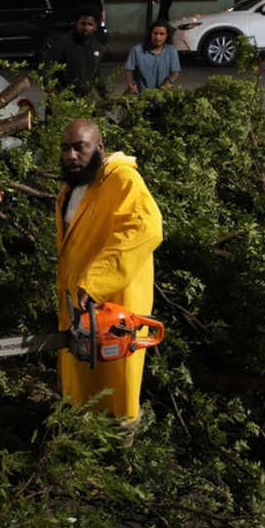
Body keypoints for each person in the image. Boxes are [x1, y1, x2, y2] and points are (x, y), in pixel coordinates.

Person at [56, 119, 163, 421]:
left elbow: (145, 227)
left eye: (80, 147)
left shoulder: (122, 179)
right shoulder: (74, 186)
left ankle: (119, 453)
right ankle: (80, 443)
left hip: (113, 307)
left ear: (99, 147)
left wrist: (95, 281)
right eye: (66, 148)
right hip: (79, 304)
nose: (72, 156)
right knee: (82, 383)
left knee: (117, 392)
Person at [44, 5, 106, 98]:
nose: (86, 28)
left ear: (95, 26)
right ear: (76, 24)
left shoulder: (98, 47)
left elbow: (96, 73)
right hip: (62, 101)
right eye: (83, 24)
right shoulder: (62, 44)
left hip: (84, 102)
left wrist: (104, 94)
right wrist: (51, 89)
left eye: (90, 24)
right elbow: (45, 69)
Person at [123, 20, 180, 94]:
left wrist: (169, 81)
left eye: (161, 34)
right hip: (141, 96)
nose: (157, 37)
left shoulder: (171, 51)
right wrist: (130, 84)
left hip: (161, 95)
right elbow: (128, 70)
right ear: (150, 34)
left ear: (167, 35)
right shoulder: (137, 50)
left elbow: (175, 72)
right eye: (155, 33)